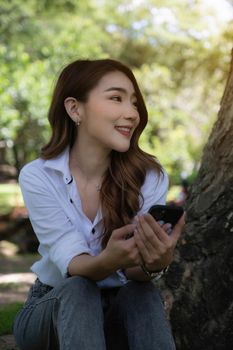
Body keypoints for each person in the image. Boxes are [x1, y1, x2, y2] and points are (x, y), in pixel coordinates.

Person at [13, 58, 185, 350]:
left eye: (134, 103)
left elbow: (134, 274)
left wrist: (155, 263)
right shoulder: (39, 176)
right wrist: (110, 259)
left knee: (142, 291)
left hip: (118, 308)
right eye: (116, 98)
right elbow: (75, 264)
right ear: (74, 108)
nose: (132, 113)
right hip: (52, 308)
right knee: (79, 288)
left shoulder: (150, 177)